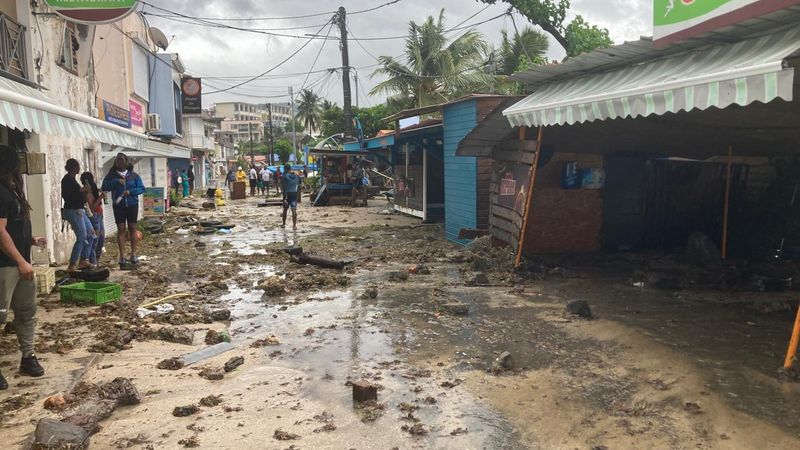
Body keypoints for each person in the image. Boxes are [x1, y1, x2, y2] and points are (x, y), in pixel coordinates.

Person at [0, 145, 47, 388]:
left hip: (21, 263)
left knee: (26, 312)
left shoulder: (13, 191)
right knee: (0, 316)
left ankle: (27, 356)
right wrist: (19, 260)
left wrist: (31, 240)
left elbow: (11, 229)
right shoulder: (1, 192)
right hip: (6, 266)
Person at [102, 153, 145, 268]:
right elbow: (104, 187)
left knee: (132, 228)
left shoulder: (134, 176)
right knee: (121, 229)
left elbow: (141, 188)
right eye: (117, 160)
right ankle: (122, 256)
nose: (119, 162)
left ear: (126, 162)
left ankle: (134, 254)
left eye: (121, 160)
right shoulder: (111, 176)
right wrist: (116, 182)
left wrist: (131, 192)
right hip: (119, 205)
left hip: (132, 204)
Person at [62, 159, 96, 272]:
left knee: (91, 234)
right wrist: (81, 191)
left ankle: (83, 260)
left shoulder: (72, 180)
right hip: (73, 210)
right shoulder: (67, 180)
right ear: (74, 167)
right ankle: (72, 264)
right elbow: (67, 196)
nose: (79, 168)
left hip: (80, 210)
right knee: (82, 236)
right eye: (77, 166)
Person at [81, 172, 104, 267]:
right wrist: (100, 197)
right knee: (94, 241)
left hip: (99, 215)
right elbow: (92, 207)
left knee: (100, 240)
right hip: (94, 216)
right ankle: (92, 262)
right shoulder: (87, 193)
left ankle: (96, 260)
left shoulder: (92, 191)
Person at [281, 164, 301, 230]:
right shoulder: (296, 176)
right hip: (294, 194)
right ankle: (294, 226)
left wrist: (284, 198)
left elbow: (284, 187)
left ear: (285, 169)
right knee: (294, 209)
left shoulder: (284, 177)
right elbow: (299, 184)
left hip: (287, 194)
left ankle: (283, 224)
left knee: (285, 210)